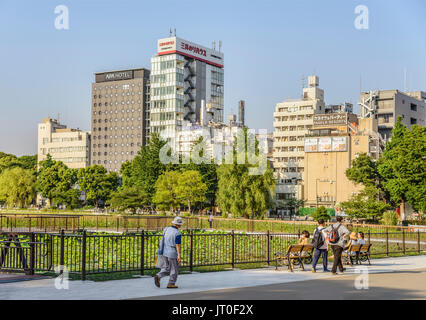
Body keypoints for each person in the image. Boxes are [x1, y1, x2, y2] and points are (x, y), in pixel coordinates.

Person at [154, 216, 184, 289]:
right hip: (172, 253)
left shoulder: (166, 229)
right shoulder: (177, 233)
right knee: (174, 269)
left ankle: (158, 275)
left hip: (164, 252)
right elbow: (177, 245)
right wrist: (179, 255)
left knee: (166, 267)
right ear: (179, 225)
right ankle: (171, 283)